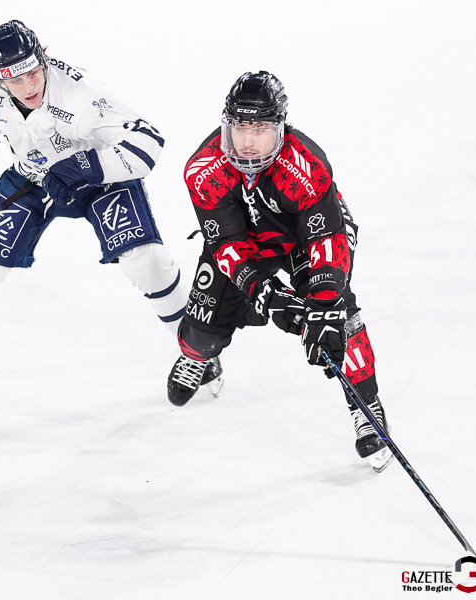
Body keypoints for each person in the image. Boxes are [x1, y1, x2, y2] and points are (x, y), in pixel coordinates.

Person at [0, 20, 191, 391]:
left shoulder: (83, 95)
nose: (29, 87)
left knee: (147, 262)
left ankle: (197, 354)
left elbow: (149, 142)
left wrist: (84, 166)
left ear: (43, 57)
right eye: (15, 80)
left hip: (98, 178)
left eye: (33, 73)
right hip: (32, 175)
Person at [167, 71, 392, 471]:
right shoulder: (203, 169)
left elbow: (327, 241)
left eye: (260, 127)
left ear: (280, 127)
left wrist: (323, 302)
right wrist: (262, 293)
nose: (248, 140)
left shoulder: (306, 164)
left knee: (339, 316)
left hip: (306, 239)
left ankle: (366, 405)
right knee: (203, 321)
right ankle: (201, 357)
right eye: (240, 126)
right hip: (248, 240)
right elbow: (225, 243)